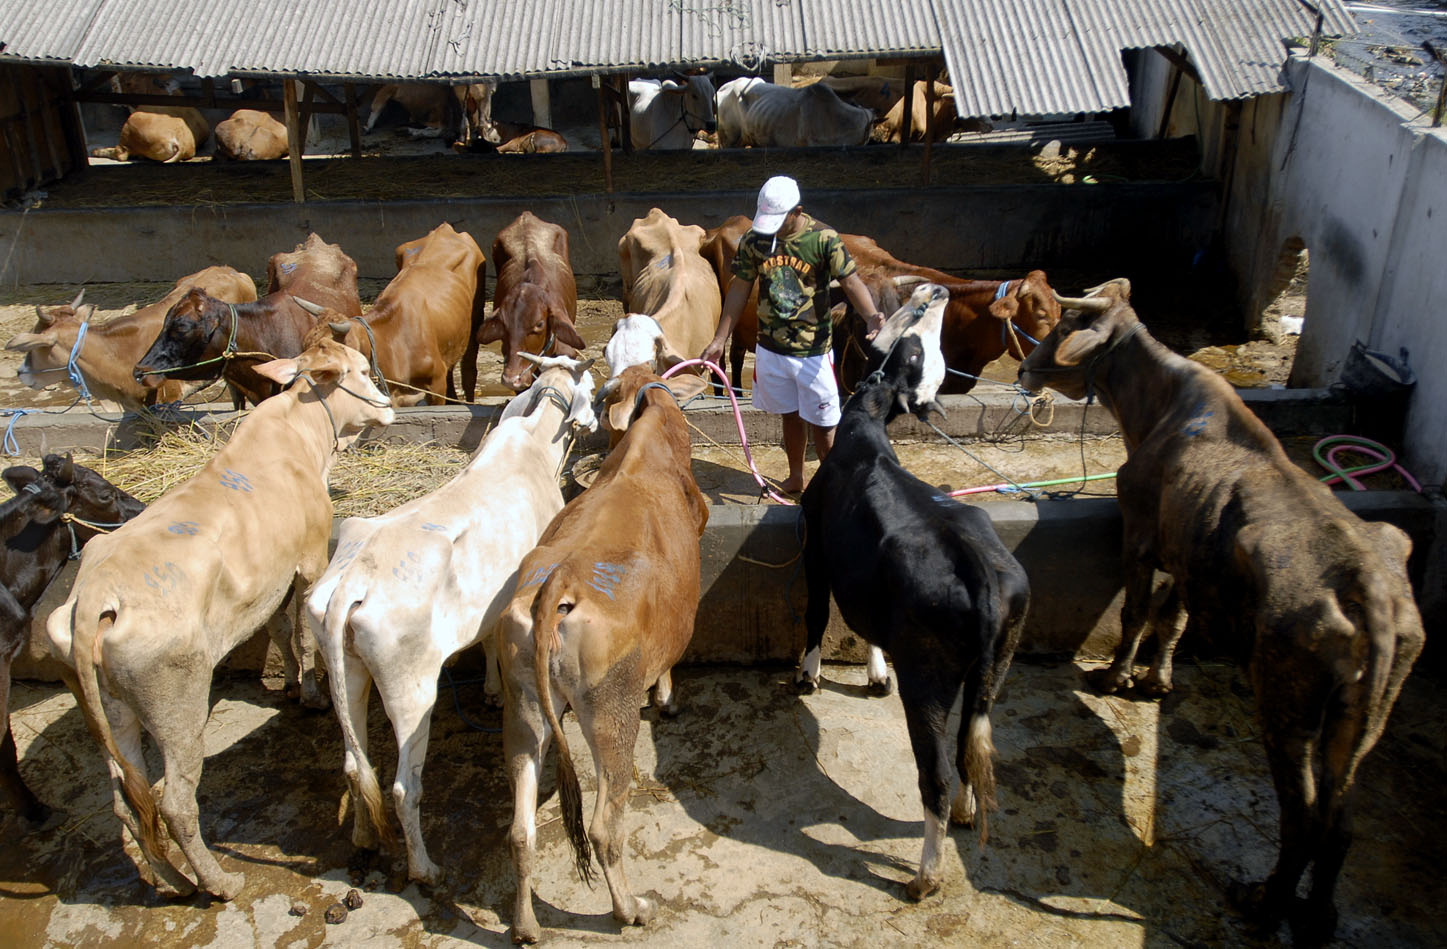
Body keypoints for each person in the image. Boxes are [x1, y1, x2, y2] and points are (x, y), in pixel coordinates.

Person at [700, 175, 885, 496]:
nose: (770, 226)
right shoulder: (756, 240)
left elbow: (852, 281)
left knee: (825, 424)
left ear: (797, 210)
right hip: (771, 348)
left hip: (812, 351)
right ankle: (797, 477)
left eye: (779, 220)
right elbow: (739, 290)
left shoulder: (823, 239)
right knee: (790, 415)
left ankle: (831, 486)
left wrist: (871, 317)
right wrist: (719, 340)